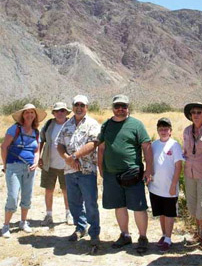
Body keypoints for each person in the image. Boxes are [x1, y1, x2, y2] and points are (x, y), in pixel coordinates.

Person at [97, 94, 153, 254]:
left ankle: (143, 237)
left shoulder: (136, 124)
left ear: (128, 108)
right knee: (119, 206)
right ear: (113, 107)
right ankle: (125, 235)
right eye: (117, 106)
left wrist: (149, 170)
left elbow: (147, 147)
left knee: (138, 207)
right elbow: (101, 147)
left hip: (132, 174)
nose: (120, 109)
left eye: (124, 106)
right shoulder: (106, 125)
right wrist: (101, 166)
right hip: (111, 174)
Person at [57, 95, 100, 248]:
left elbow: (93, 143)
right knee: (74, 202)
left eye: (82, 105)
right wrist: (68, 158)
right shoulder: (67, 124)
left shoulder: (92, 124)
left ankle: (94, 233)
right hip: (69, 170)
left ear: (86, 107)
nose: (79, 107)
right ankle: (80, 228)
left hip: (86, 170)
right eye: (76, 105)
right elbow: (59, 144)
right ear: (73, 106)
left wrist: (75, 156)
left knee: (90, 202)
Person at [1, 104, 47, 238]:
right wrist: (6, 165)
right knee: (13, 196)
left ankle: (23, 222)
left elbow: (37, 150)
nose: (29, 115)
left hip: (29, 168)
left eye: (32, 112)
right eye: (26, 112)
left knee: (27, 196)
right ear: (22, 115)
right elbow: (4, 147)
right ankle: (5, 225)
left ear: (35, 115)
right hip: (13, 166)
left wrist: (36, 162)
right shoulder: (14, 129)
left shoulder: (36, 132)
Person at [148, 118, 184, 253]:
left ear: (170, 131)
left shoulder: (174, 145)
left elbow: (178, 166)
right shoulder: (154, 145)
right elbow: (150, 163)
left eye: (166, 129)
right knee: (161, 213)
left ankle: (169, 239)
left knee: (169, 213)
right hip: (155, 186)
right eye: (161, 129)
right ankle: (163, 235)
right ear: (157, 130)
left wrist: (173, 184)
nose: (163, 131)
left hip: (170, 187)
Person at [182, 102, 202, 253]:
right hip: (189, 173)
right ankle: (197, 233)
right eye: (193, 112)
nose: (195, 115)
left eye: (199, 112)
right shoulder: (187, 131)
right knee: (193, 206)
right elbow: (185, 151)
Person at [39, 102, 72, 226]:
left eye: (62, 110)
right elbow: (41, 140)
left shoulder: (71, 124)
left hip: (67, 165)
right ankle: (48, 215)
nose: (60, 113)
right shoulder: (48, 125)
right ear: (53, 113)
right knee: (49, 190)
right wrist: (39, 157)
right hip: (49, 163)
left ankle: (69, 214)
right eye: (57, 111)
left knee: (67, 191)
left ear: (66, 112)